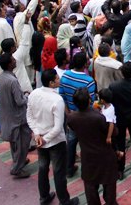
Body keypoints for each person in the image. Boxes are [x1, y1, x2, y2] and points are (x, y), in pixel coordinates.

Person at [27, 69, 79, 205]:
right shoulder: (57, 100)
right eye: (57, 79)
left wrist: (38, 135)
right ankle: (65, 201)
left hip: (41, 139)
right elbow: (58, 127)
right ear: (51, 83)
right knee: (58, 172)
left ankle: (44, 197)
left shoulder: (34, 94)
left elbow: (30, 116)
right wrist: (42, 137)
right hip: (54, 141)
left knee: (43, 169)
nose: (59, 80)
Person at [67, 88, 120, 205]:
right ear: (89, 100)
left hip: (88, 158)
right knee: (110, 189)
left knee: (91, 189)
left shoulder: (71, 118)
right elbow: (114, 132)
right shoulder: (98, 117)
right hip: (105, 156)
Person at [58, 52, 96, 176]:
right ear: (85, 64)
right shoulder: (89, 81)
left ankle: (69, 169)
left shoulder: (65, 76)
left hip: (72, 116)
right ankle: (89, 168)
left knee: (71, 143)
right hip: (85, 117)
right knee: (87, 144)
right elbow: (90, 103)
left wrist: (69, 114)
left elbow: (62, 97)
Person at [0, 53, 31, 178]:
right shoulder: (12, 80)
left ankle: (18, 161)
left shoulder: (3, 77)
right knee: (22, 142)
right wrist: (27, 96)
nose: (15, 61)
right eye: (12, 60)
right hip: (17, 117)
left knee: (15, 143)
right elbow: (20, 101)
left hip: (9, 116)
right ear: (9, 64)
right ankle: (17, 168)